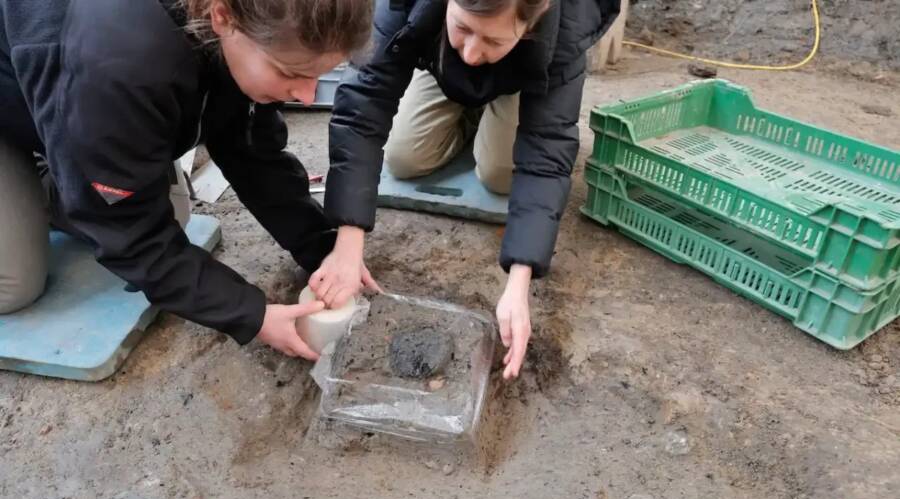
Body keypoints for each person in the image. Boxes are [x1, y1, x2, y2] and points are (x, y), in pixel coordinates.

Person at [0, 0, 376, 360]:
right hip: (39, 90)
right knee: (15, 285)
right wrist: (253, 315)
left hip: (82, 99)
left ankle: (71, 163)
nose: (308, 98)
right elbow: (133, 238)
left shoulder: (254, 22)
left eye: (317, 76)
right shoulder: (124, 66)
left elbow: (249, 149)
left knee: (169, 217)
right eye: (290, 73)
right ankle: (67, 171)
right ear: (223, 17)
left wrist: (322, 246)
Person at [314, 0, 620, 378]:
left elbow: (546, 150)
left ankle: (497, 105)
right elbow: (363, 103)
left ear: (531, 22)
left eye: (492, 39)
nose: (474, 53)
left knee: (497, 173)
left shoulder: (566, 27)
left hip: (523, 78)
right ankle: (468, 108)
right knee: (404, 158)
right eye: (465, 27)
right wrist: (347, 242)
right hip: (440, 61)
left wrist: (518, 283)